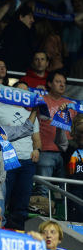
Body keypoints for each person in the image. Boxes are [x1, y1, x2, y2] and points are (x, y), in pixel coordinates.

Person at [0, 81, 41, 230]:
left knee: (22, 202)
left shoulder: (31, 115)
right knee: (2, 198)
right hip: (6, 160)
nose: (23, 95)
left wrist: (37, 150)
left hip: (27, 162)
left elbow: (37, 140)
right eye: (19, 91)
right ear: (12, 92)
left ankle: (19, 230)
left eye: (26, 92)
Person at [33, 70, 77, 198]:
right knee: (42, 189)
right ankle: (42, 215)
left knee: (68, 190)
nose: (62, 85)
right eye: (58, 82)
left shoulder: (72, 106)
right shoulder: (41, 101)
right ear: (49, 83)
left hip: (67, 153)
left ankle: (67, 216)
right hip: (45, 151)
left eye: (64, 82)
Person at [54, 113, 83, 222]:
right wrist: (61, 119)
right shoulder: (70, 150)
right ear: (75, 135)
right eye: (82, 132)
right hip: (75, 195)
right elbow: (59, 140)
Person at [2, 5, 35, 72]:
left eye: (32, 17)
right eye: (30, 16)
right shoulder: (17, 31)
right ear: (21, 17)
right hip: (16, 73)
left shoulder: (21, 31)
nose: (32, 20)